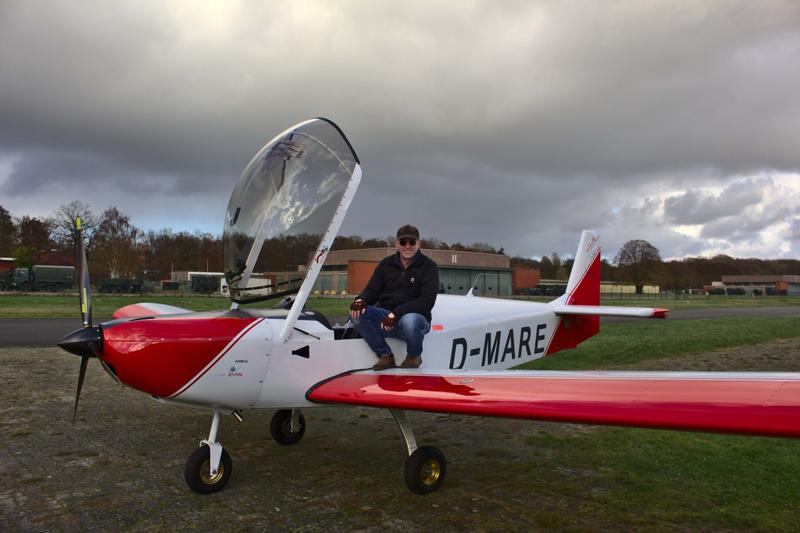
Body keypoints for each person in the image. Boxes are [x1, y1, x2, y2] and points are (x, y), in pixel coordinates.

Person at [349, 224, 439, 370]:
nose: (407, 246)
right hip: (386, 319)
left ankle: (413, 356)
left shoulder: (429, 267)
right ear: (396, 244)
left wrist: (395, 314)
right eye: (403, 242)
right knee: (358, 313)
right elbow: (372, 291)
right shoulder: (386, 264)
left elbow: (426, 302)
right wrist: (360, 300)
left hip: (414, 320)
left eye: (412, 242)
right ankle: (385, 356)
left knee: (410, 321)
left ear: (419, 244)